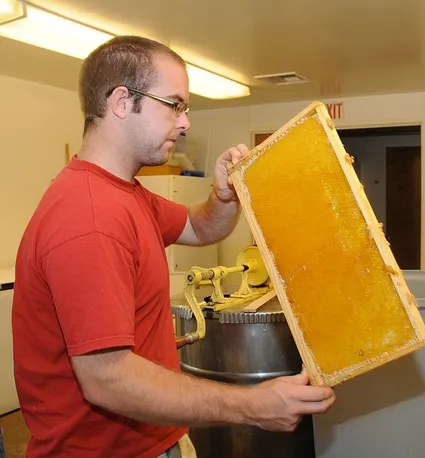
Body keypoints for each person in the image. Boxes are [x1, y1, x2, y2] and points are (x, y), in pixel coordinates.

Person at [12, 35, 336, 458]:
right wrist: (251, 404)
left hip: (151, 440)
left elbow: (200, 228)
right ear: (122, 101)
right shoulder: (89, 217)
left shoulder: (127, 193)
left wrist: (223, 195)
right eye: (175, 104)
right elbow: (106, 378)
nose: (186, 123)